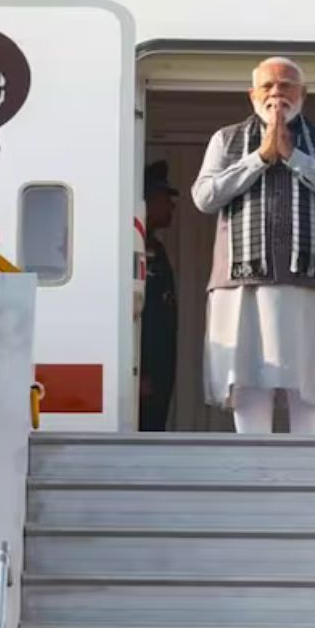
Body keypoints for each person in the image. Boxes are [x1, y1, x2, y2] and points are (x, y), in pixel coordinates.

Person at [191, 57, 315, 434]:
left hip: (311, 283)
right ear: (252, 94)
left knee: (312, 383)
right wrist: (260, 158)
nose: (276, 93)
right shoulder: (226, 139)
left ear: (303, 94)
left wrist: (294, 158)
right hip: (241, 283)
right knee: (248, 380)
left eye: (286, 85)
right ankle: (253, 464)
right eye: (267, 86)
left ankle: (308, 465)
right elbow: (204, 197)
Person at [139, 160, 178, 432]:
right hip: (145, 375)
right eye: (165, 198)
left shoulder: (154, 247)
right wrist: (139, 371)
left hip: (160, 370)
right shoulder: (132, 249)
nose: (171, 206)